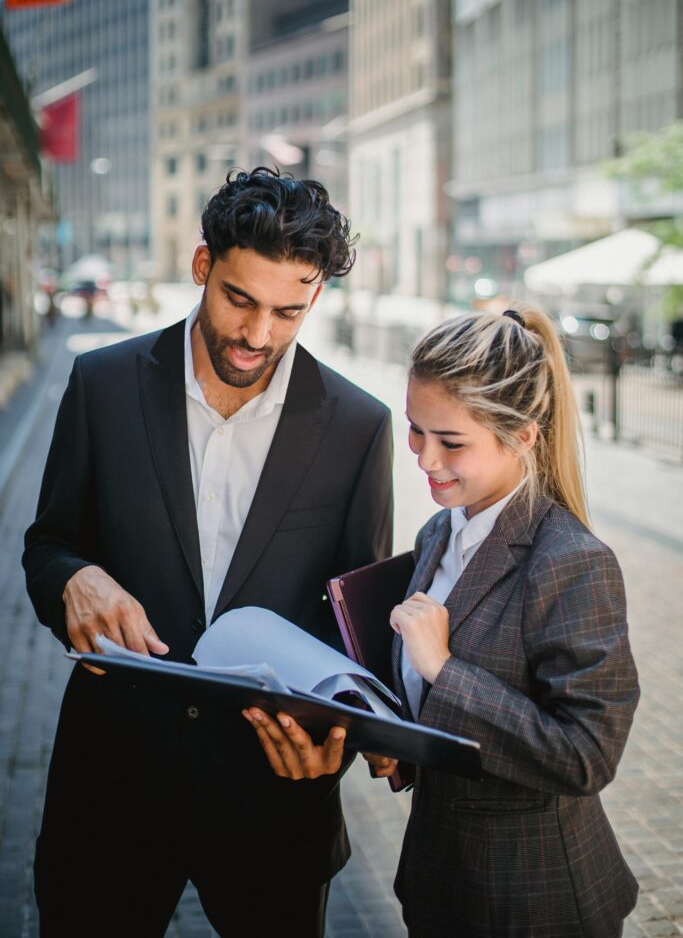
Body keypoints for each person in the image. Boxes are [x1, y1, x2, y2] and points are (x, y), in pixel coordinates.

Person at [23, 168, 393, 938]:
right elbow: (46, 544)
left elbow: (355, 633)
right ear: (202, 268)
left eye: (288, 311)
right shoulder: (101, 384)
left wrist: (339, 741)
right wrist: (74, 578)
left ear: (315, 298)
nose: (258, 335)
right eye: (239, 299)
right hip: (112, 791)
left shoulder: (359, 427)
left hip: (273, 807)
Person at [245, 305, 640, 938]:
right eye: (415, 430)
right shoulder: (438, 531)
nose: (426, 460)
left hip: (534, 903)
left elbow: (586, 756)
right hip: (439, 883)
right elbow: (450, 724)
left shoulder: (574, 563)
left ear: (523, 437)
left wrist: (445, 670)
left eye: (452, 442)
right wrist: (401, 746)